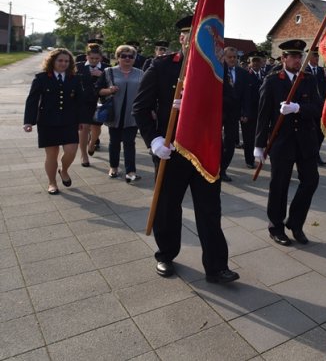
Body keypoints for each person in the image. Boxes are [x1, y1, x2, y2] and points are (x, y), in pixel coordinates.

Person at [132, 15, 238, 284]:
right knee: (167, 208)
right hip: (172, 150)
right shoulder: (162, 66)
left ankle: (216, 267)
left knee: (210, 210)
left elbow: (229, 106)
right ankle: (166, 255)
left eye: (202, 34)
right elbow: (141, 108)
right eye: (189, 34)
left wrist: (199, 107)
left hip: (204, 149)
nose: (195, 39)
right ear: (181, 38)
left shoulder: (217, 69)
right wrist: (155, 141)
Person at [254, 39, 322, 246]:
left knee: (311, 181)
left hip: (305, 141)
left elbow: (318, 108)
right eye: (292, 56)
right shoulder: (273, 80)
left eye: (299, 56)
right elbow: (263, 114)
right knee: (279, 186)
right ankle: (276, 226)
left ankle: (295, 222)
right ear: (283, 58)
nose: (297, 60)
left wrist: (298, 108)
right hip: (281, 142)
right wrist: (259, 146)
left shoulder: (308, 79)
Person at [23, 48, 89, 194]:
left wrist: (82, 119)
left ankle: (64, 170)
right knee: (52, 155)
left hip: (69, 121)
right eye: (60, 60)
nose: (63, 63)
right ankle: (52, 183)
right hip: (47, 122)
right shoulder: (41, 78)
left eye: (66, 61)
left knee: (71, 151)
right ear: (52, 61)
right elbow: (32, 100)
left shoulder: (75, 78)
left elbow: (80, 101)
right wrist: (28, 121)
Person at [97, 44, 144, 183]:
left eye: (131, 56)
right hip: (115, 113)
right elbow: (98, 90)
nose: (127, 59)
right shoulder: (108, 71)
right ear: (118, 57)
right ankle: (113, 167)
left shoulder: (141, 73)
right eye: (124, 56)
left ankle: (130, 171)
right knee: (114, 142)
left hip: (132, 114)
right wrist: (109, 91)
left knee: (130, 143)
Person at [220, 46, 249, 182]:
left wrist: (244, 111)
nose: (232, 59)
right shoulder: (218, 70)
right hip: (219, 111)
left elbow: (246, 95)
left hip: (234, 113)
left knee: (230, 141)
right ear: (224, 57)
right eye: (229, 57)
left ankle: (223, 169)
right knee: (216, 140)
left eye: (235, 57)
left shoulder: (242, 73)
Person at [76, 43, 106, 167]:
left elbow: (112, 83)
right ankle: (84, 155)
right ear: (87, 57)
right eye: (91, 58)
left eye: (97, 58)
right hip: (83, 102)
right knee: (84, 129)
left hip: (100, 102)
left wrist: (101, 75)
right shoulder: (79, 67)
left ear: (101, 58)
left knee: (96, 128)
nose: (94, 61)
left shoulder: (107, 68)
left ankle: (92, 142)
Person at [242, 51, 266, 168]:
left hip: (261, 111)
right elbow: (242, 95)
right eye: (253, 61)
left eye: (258, 61)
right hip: (249, 112)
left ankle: (259, 156)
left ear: (261, 62)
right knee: (249, 138)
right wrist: (243, 113)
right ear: (249, 63)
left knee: (260, 136)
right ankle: (249, 160)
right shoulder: (245, 75)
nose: (256, 63)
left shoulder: (265, 74)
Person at [305, 48, 326, 166]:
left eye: (318, 56)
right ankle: (310, 155)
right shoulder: (304, 70)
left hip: (320, 107)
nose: (317, 58)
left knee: (320, 133)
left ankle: (316, 154)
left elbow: (324, 88)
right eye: (315, 56)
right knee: (310, 133)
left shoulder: (320, 71)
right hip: (309, 107)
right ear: (309, 57)